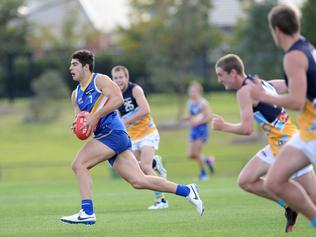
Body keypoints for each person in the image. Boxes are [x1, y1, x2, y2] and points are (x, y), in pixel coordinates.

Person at [60, 50, 204, 225]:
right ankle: (187, 191)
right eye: (70, 64)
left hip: (114, 133)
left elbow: (118, 99)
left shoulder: (100, 80)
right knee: (139, 180)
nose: (70, 68)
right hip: (105, 136)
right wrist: (78, 127)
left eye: (74, 64)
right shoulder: (75, 95)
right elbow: (82, 122)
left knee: (79, 164)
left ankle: (87, 211)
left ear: (86, 67)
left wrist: (95, 116)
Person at [213, 53, 315, 232]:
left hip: (288, 143)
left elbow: (247, 129)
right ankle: (289, 204)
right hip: (277, 144)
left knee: (313, 196)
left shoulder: (244, 92)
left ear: (234, 73)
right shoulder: (262, 83)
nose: (219, 80)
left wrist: (223, 126)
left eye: (221, 75)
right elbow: (288, 85)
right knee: (245, 181)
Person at [247, 4, 316, 229]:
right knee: (275, 181)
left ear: (276, 30)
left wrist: (263, 97)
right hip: (305, 132)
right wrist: (267, 87)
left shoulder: (293, 56)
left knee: (285, 184)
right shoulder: (307, 47)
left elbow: (296, 100)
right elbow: (291, 84)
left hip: (312, 131)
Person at [112, 65, 168, 210]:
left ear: (127, 77)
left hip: (148, 133)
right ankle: (156, 163)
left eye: (121, 77)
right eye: (115, 78)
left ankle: (161, 200)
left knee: (146, 167)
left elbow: (145, 109)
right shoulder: (114, 95)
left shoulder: (135, 89)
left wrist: (125, 121)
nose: (118, 80)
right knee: (137, 169)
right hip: (133, 137)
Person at [182, 81, 215, 181]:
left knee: (197, 153)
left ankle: (203, 174)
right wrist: (186, 118)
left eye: (193, 91)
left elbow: (209, 116)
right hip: (193, 129)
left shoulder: (203, 103)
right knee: (190, 155)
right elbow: (191, 115)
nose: (191, 93)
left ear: (198, 92)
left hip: (202, 130)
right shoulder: (189, 102)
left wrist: (199, 122)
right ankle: (208, 160)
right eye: (190, 91)